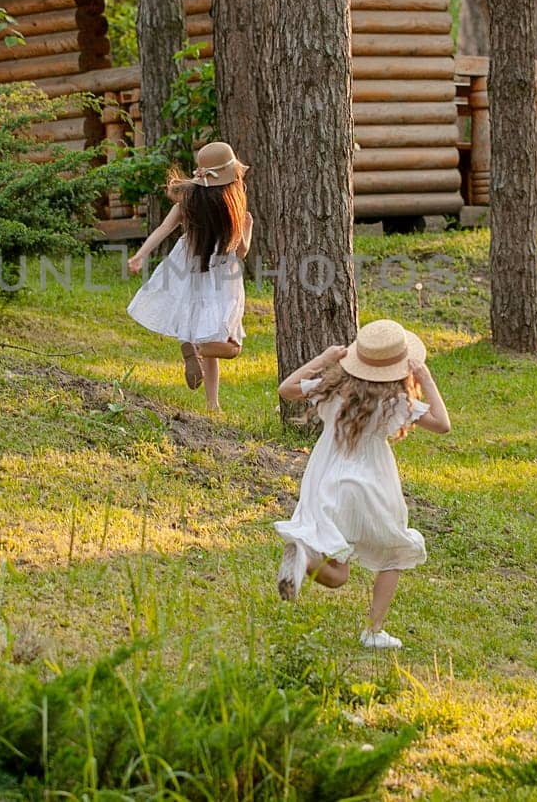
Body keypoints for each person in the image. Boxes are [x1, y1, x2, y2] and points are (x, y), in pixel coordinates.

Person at [273, 319, 452, 650]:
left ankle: (303, 559)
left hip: (326, 479)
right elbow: (442, 425)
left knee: (338, 575)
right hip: (371, 484)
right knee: (396, 552)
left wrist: (324, 359)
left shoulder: (331, 390)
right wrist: (425, 378)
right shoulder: (396, 402)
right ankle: (373, 631)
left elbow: (286, 389)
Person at [126, 141, 254, 411]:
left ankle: (212, 403)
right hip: (220, 278)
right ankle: (198, 354)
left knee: (207, 332)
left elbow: (163, 228)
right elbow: (241, 252)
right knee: (231, 347)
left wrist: (141, 255)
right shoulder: (233, 207)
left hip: (189, 270)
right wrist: (248, 226)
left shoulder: (189, 201)